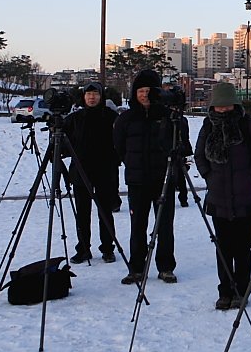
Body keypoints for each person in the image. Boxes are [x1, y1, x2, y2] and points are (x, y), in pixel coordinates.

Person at [194, 81, 251, 310]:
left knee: (243, 247)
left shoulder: (246, 124)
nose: (224, 109)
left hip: (246, 196)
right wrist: (209, 177)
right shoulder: (208, 125)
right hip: (218, 197)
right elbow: (199, 155)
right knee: (223, 248)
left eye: (228, 105)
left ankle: (241, 290)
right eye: (220, 105)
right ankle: (224, 290)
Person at [113, 69, 190, 285]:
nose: (144, 95)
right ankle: (136, 268)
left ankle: (166, 267)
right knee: (137, 225)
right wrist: (132, 163)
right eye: (140, 91)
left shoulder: (168, 116)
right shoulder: (126, 119)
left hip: (163, 179)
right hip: (137, 180)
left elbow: (182, 143)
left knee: (164, 225)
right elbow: (119, 147)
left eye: (149, 91)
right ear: (134, 93)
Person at [64, 82, 120, 265]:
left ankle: (107, 248)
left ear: (101, 96)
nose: (92, 97)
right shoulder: (74, 118)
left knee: (105, 212)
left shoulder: (111, 117)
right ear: (84, 97)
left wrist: (115, 160)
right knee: (82, 213)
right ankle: (83, 248)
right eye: (88, 94)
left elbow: (120, 141)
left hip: (105, 171)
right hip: (81, 171)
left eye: (95, 94)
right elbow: (64, 143)